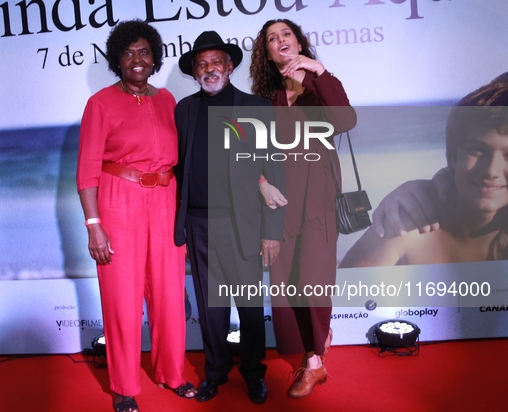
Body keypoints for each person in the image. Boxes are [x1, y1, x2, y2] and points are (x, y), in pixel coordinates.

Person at [76, 20, 195, 412]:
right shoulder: (100, 104)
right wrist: (95, 227)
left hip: (165, 203)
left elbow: (182, 164)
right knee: (121, 298)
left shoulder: (167, 102)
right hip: (118, 201)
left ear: (155, 57)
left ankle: (172, 373)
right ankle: (125, 386)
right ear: (117, 60)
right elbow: (87, 172)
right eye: (128, 53)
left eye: (144, 52)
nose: (137, 59)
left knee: (168, 295)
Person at [174, 30, 285, 404]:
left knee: (250, 306)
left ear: (230, 66)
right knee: (210, 308)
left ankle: (254, 373)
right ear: (193, 71)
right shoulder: (183, 109)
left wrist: (272, 231)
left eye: (216, 62)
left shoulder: (257, 108)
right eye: (201, 64)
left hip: (245, 223)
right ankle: (216, 372)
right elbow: (179, 169)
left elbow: (274, 168)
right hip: (199, 225)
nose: (209, 69)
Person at [249, 19, 356, 398]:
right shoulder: (264, 94)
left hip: (318, 194)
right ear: (266, 51)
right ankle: (311, 350)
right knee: (283, 282)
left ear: (299, 42)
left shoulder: (319, 83)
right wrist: (260, 184)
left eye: (286, 35)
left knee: (312, 279)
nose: (280, 41)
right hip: (278, 200)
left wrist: (319, 70)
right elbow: (255, 152)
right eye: (272, 39)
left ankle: (314, 363)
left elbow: (345, 121)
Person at [340, 80, 508, 267]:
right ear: (453, 156)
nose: (492, 170)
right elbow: (342, 293)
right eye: (477, 150)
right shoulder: (409, 226)